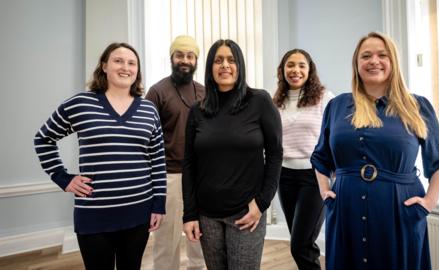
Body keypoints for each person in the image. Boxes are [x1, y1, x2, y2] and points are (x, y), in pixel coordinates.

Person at [310, 32, 439, 270]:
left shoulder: (417, 106)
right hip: (345, 210)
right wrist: (324, 191)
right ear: (357, 64)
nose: (374, 61)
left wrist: (429, 202)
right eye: (366, 56)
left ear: (393, 62)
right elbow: (320, 157)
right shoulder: (337, 106)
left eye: (382, 55)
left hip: (400, 212)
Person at [33, 42, 166, 270]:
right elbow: (43, 139)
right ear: (104, 66)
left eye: (132, 63)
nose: (126, 67)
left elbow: (157, 159)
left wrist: (159, 204)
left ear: (137, 71)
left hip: (139, 213)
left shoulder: (148, 110)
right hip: (94, 215)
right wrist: (63, 178)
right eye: (118, 61)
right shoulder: (80, 104)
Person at [182, 39, 283, 270]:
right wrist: (189, 214)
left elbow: (275, 154)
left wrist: (262, 203)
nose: (225, 65)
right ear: (210, 68)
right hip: (207, 216)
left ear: (240, 65)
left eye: (231, 60)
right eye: (218, 60)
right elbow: (189, 164)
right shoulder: (197, 111)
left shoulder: (260, 101)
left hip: (246, 213)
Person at [145, 35, 206, 270]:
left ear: (196, 60)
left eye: (190, 56)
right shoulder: (157, 92)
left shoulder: (204, 92)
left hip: (201, 177)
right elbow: (147, 138)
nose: (185, 60)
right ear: (172, 58)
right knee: (165, 242)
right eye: (179, 55)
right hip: (169, 176)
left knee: (198, 240)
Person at [273, 49, 334, 270]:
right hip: (285, 176)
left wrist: (332, 170)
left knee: (300, 244)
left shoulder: (325, 98)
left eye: (301, 65)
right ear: (282, 70)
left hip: (314, 175)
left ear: (309, 70)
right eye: (290, 65)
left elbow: (335, 135)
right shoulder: (275, 101)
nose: (295, 70)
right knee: (302, 243)